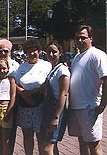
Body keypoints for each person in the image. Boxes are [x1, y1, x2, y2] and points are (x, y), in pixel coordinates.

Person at [68, 25, 107, 155]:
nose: (79, 40)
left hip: (90, 107)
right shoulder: (76, 58)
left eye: (83, 37)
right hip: (76, 107)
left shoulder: (97, 55)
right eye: (77, 38)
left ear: (91, 39)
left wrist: (102, 105)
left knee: (94, 145)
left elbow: (106, 80)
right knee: (82, 142)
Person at [14, 39, 52, 155]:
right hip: (25, 106)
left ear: (39, 51)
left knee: (41, 136)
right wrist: (25, 96)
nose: (32, 54)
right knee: (27, 135)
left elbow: (47, 85)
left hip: (41, 105)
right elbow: (15, 84)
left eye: (34, 51)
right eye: (29, 51)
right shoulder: (21, 68)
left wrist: (32, 93)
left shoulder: (47, 65)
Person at [0, 39, 19, 155]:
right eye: (0, 51)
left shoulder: (15, 66)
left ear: (10, 52)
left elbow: (15, 89)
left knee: (8, 137)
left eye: (5, 51)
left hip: (9, 106)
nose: (2, 53)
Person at [40, 41, 70, 155]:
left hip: (56, 110)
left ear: (60, 53)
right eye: (49, 52)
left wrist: (56, 117)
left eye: (54, 52)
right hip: (48, 108)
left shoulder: (62, 70)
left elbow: (63, 95)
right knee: (52, 146)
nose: (51, 54)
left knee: (47, 148)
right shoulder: (53, 69)